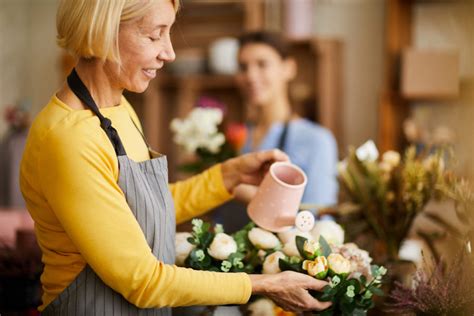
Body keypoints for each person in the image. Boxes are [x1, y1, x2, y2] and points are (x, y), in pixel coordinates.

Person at [19, 0, 332, 314]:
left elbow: (146, 208)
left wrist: (228, 176)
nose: (169, 52)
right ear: (104, 32)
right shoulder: (69, 138)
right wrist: (261, 285)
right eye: (155, 35)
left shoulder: (117, 108)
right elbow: (142, 280)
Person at [235, 31, 339, 208]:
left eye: (262, 64)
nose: (250, 76)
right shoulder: (236, 136)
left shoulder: (317, 140)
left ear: (288, 69)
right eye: (243, 67)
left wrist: (251, 196)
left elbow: (317, 216)